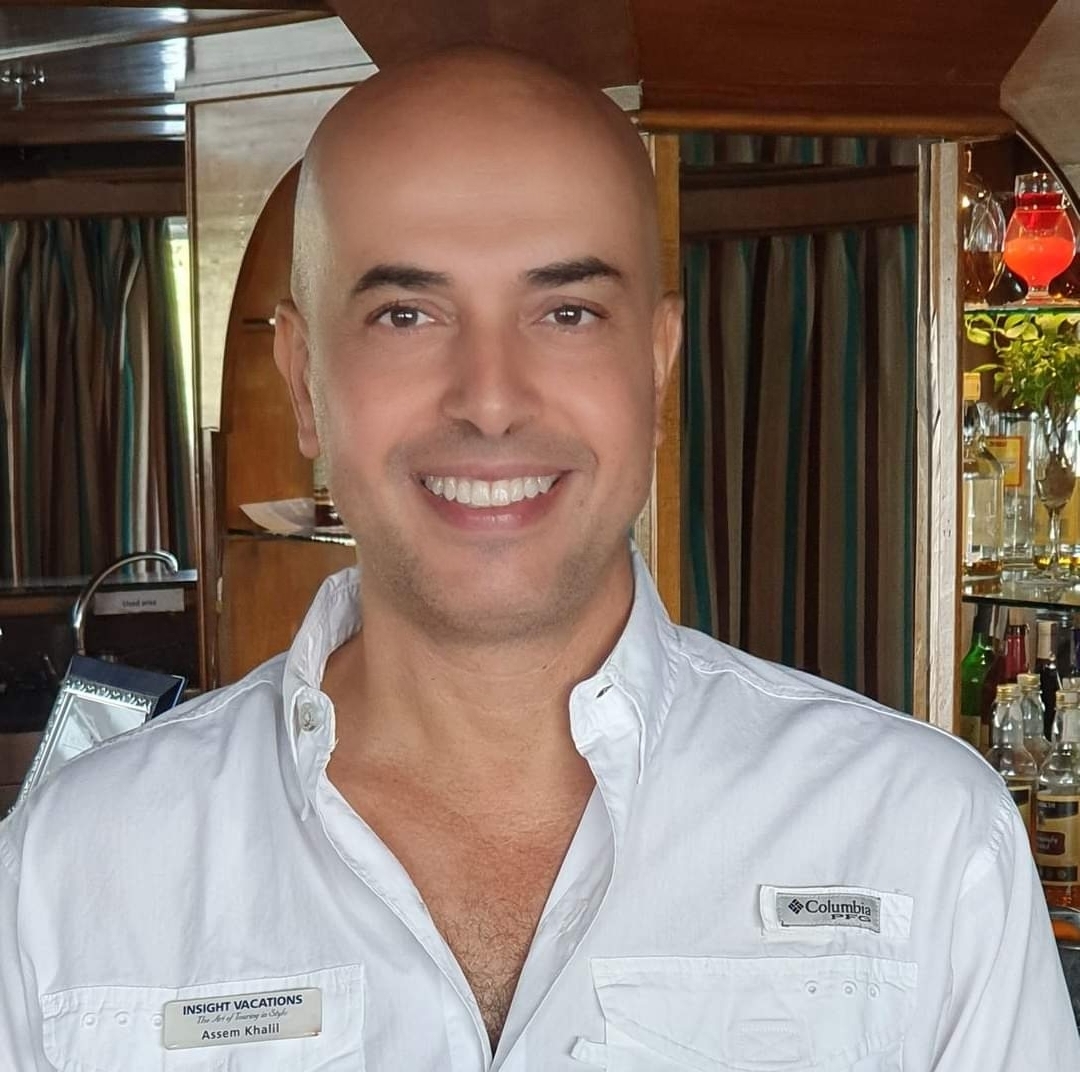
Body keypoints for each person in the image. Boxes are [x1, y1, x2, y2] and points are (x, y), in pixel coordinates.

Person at [1, 45, 1077, 1072]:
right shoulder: (67, 874)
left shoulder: (925, 841)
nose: (490, 399)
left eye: (566, 311)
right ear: (303, 377)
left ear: (657, 363)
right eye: (406, 313)